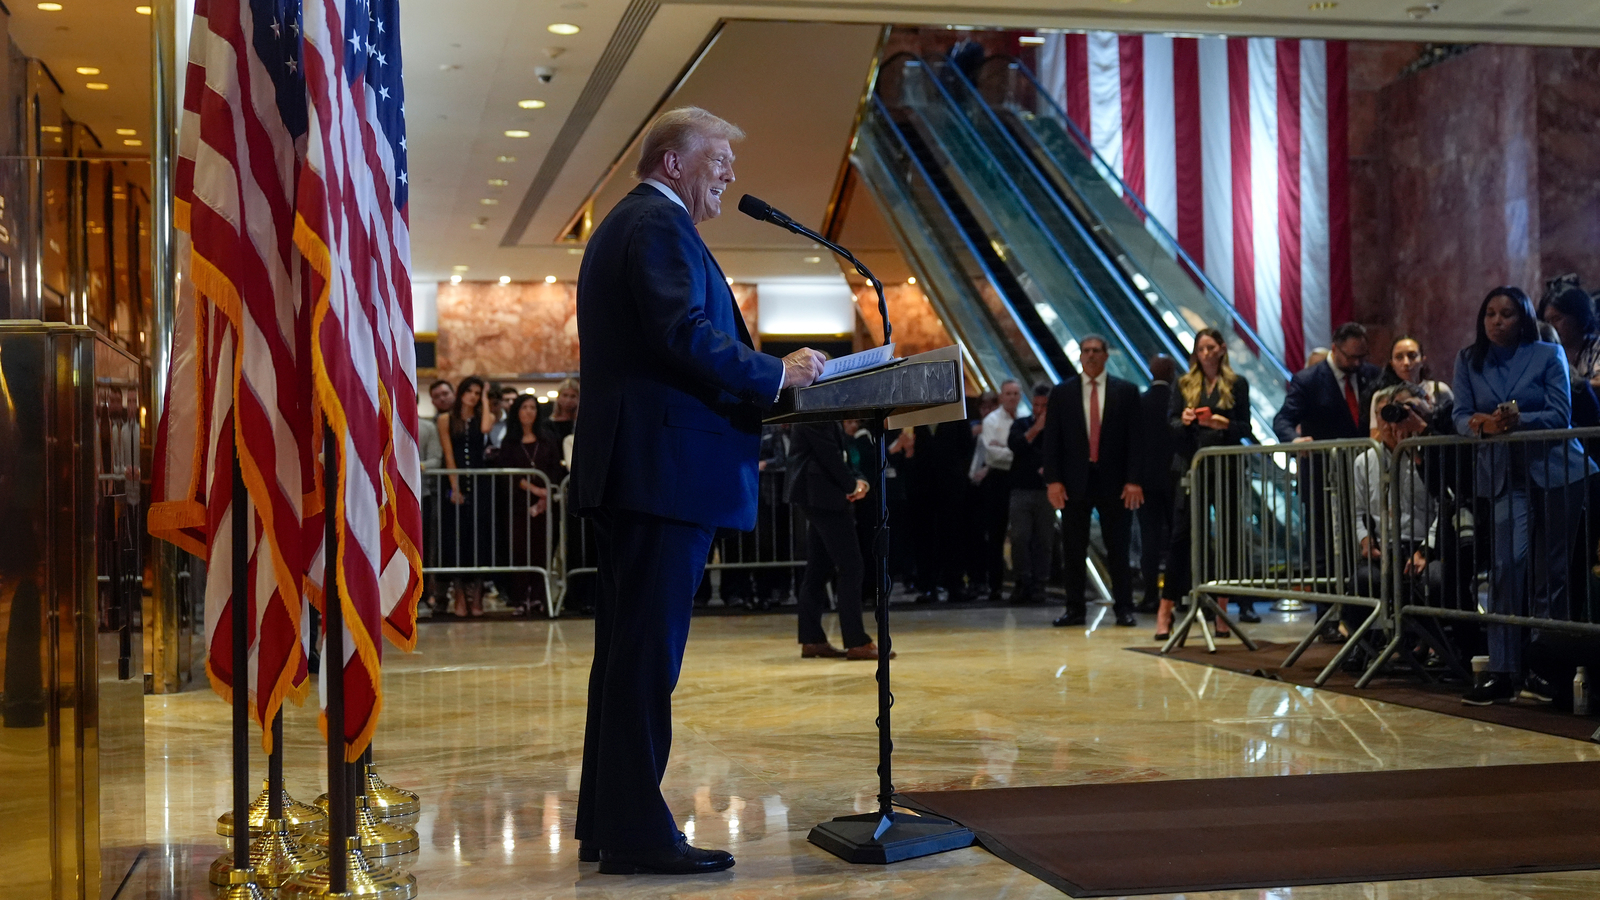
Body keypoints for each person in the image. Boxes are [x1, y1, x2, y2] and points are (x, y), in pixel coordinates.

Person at [568, 106, 825, 875]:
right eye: (718, 159)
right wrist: (779, 372)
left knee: (627, 657)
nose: (730, 173)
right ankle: (639, 835)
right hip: (660, 474)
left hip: (647, 472)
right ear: (674, 162)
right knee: (645, 659)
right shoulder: (656, 224)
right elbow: (682, 335)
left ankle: (610, 823)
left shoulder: (641, 222)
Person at [1452, 286, 1594, 706]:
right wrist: (1482, 427)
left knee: (1552, 575)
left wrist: (1516, 421)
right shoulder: (1468, 359)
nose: (1497, 321)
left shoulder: (1547, 355)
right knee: (1506, 568)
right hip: (1502, 475)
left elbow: (1559, 414)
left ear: (1524, 317)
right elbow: (1460, 415)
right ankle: (1503, 670)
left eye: (1507, 314)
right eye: (1490, 313)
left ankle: (1546, 666)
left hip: (1556, 471)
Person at [1273, 322, 1382, 640]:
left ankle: (1365, 617)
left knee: (1365, 545)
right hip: (1323, 479)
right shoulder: (1309, 379)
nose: (1357, 363)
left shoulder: (1372, 375)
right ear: (1335, 349)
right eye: (1351, 357)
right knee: (1325, 550)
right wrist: (1293, 440)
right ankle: (1328, 620)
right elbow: (1283, 418)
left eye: (1362, 356)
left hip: (1364, 476)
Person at [1043, 335, 1144, 628]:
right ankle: (1075, 609)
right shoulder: (1062, 393)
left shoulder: (1126, 391)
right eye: (1086, 351)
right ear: (1080, 356)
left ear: (1106, 355)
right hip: (1074, 481)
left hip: (1115, 482)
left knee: (1119, 548)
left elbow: (1136, 441)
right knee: (1073, 548)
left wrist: (1133, 480)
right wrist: (1053, 480)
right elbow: (1052, 441)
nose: (1090, 356)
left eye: (1096, 351)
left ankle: (1124, 608)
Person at [1159, 330, 1252, 638]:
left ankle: (1222, 609)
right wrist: (1185, 420)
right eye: (1201, 349)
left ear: (1222, 350)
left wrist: (1222, 423)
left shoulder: (1236, 383)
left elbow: (1245, 427)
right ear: (1196, 353)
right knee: (1181, 536)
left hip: (1224, 468)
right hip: (1191, 466)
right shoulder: (1184, 384)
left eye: (1211, 347)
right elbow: (1170, 425)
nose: (1207, 353)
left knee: (1226, 537)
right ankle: (1166, 609)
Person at [787, 421, 884, 659]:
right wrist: (852, 485)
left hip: (820, 495)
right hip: (823, 495)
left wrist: (859, 480)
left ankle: (812, 639)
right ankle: (856, 641)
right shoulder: (814, 409)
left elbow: (845, 450)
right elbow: (829, 455)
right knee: (851, 567)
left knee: (819, 569)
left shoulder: (822, 409)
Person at [438, 375, 495, 617]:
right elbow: (449, 454)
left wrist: (484, 398)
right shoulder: (445, 419)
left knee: (480, 537)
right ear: (460, 393)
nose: (472, 396)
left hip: (480, 483)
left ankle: (478, 594)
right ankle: (459, 593)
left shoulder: (485, 416)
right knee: (456, 538)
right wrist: (455, 486)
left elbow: (485, 428)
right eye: (469, 391)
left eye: (477, 392)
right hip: (456, 482)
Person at [500, 395, 561, 616]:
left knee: (542, 549)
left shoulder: (547, 439)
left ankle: (538, 596)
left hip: (546, 503)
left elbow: (555, 468)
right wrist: (534, 489)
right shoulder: (510, 442)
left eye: (533, 407)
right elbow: (508, 473)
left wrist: (546, 494)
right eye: (524, 407)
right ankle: (520, 597)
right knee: (520, 549)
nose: (529, 411)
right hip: (519, 503)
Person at [1137, 355, 1179, 614]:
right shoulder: (1177, 402)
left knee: (1148, 540)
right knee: (1178, 538)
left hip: (1146, 481)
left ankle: (1150, 595)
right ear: (1173, 373)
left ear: (1151, 373)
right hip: (1175, 479)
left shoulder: (1140, 403)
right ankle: (1178, 594)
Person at [1006, 383, 1053, 604]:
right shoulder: (1021, 424)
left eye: (1044, 406)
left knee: (1044, 539)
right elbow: (1016, 445)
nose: (1039, 409)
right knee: (1019, 537)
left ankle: (1040, 583)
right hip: (1021, 489)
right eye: (1036, 405)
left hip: (1045, 491)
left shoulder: (1057, 430)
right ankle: (1021, 581)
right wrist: (1036, 429)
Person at [976, 382, 1020, 598]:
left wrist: (1007, 448)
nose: (1012, 397)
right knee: (996, 533)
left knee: (1021, 533)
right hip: (998, 479)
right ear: (1002, 397)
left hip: (1019, 479)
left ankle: (1023, 583)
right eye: (1008, 394)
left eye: (1015, 393)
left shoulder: (1024, 419)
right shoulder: (992, 420)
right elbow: (992, 454)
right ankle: (995, 585)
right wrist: (1018, 452)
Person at [1370, 336, 1453, 434]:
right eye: (1399, 357)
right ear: (1392, 364)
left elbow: (1453, 429)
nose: (1406, 363)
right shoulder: (1381, 395)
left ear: (1422, 360)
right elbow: (1375, 436)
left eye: (1412, 356)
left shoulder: (1439, 390)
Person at [1538, 274, 1600, 389]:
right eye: (1547, 321)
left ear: (1577, 316)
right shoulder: (1547, 352)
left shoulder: (1596, 346)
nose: (1551, 327)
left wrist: (1574, 384)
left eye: (1557, 319)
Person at [418, 406, 444, 614]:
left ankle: (423, 595)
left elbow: (436, 459)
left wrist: (415, 466)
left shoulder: (427, 427)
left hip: (421, 495)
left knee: (423, 547)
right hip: (386, 498)